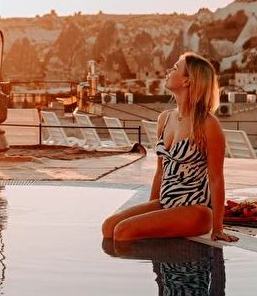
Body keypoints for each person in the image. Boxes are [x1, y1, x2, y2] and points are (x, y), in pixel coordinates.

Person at [102, 52, 238, 244]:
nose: (168, 71)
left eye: (175, 68)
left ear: (187, 82)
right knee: (109, 227)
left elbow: (216, 178)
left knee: (123, 231)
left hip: (195, 209)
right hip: (167, 202)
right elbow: (160, 172)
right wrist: (151, 210)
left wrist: (218, 228)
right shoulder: (165, 119)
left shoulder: (207, 124)